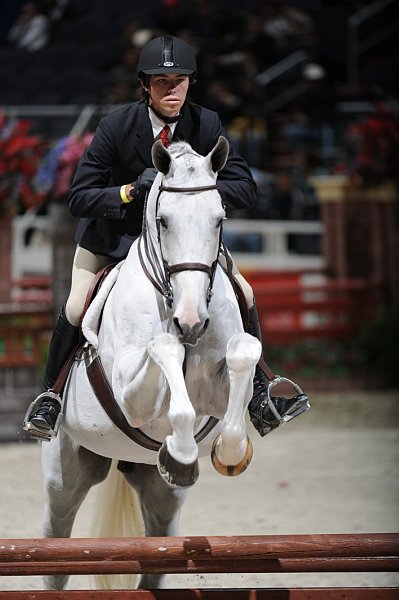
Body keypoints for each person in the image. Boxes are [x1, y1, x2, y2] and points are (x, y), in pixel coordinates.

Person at [23, 35, 309, 441]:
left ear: (191, 83)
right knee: (75, 306)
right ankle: (50, 398)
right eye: (161, 82)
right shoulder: (115, 126)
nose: (172, 89)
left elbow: (244, 186)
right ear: (144, 86)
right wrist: (128, 192)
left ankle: (262, 393)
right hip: (114, 240)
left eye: (180, 81)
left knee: (244, 293)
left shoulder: (206, 123)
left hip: (186, 240)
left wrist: (193, 195)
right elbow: (79, 196)